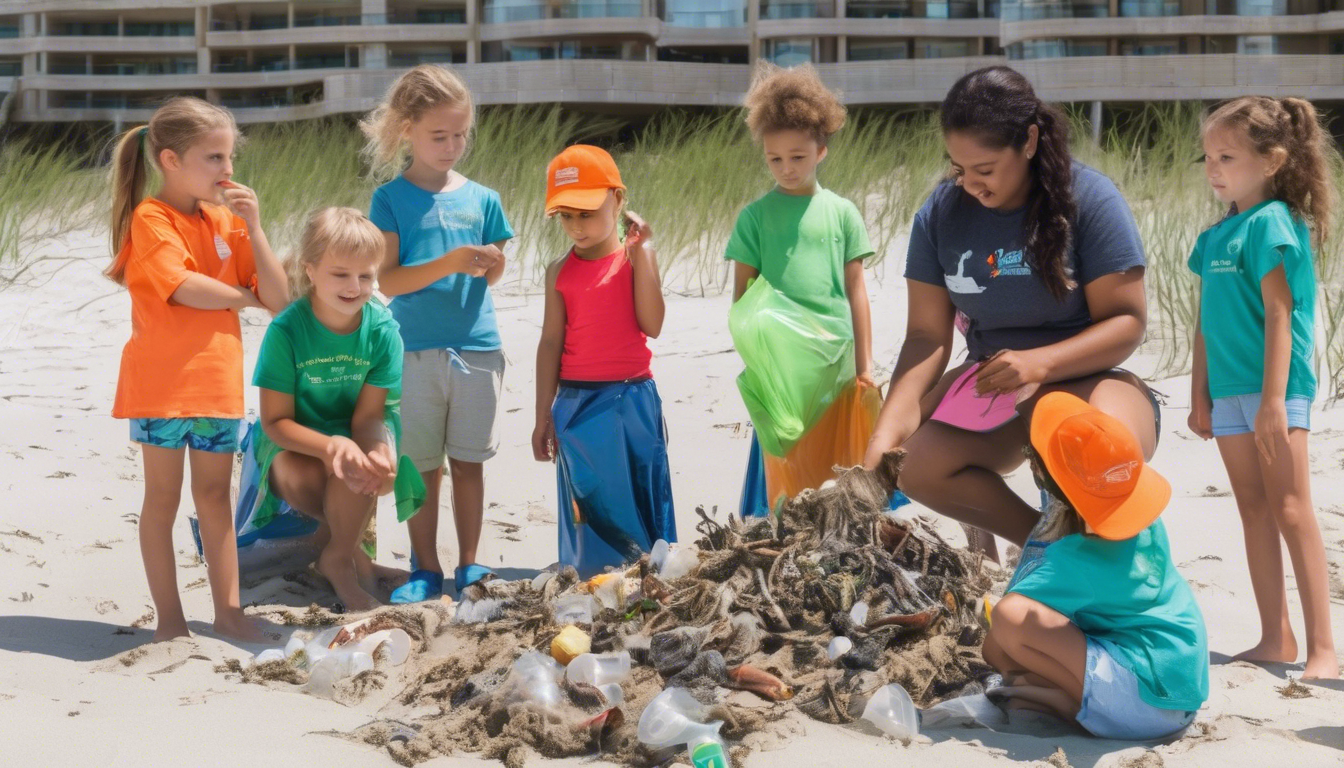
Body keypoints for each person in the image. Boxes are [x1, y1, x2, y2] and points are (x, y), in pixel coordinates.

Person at [863, 66, 1155, 564]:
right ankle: (1047, 549)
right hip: (995, 386)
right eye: (958, 168)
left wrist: (1040, 364)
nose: (970, 184)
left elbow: (1127, 321)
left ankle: (1109, 561)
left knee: (1100, 448)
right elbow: (925, 337)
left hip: (1090, 376)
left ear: (1029, 141)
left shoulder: (1091, 198)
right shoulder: (941, 214)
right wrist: (882, 440)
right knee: (914, 466)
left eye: (985, 169)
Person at [107, 97, 288, 642]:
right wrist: (244, 298)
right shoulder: (150, 218)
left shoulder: (227, 221)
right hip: (162, 388)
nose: (227, 170)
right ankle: (170, 621)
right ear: (170, 160)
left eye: (229, 157)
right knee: (162, 500)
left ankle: (228, 613)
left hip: (217, 386)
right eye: (213, 158)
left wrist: (255, 228)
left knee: (214, 499)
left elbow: (280, 297)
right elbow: (183, 288)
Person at [1187, 96, 1339, 679]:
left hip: (1276, 389)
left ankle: (1324, 647)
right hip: (1227, 391)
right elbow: (1205, 322)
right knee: (1253, 510)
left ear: (1272, 160)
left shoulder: (1272, 222)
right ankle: (1275, 635)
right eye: (1207, 158)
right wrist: (1199, 393)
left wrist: (1275, 400)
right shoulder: (1216, 235)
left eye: (1227, 156)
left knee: (1292, 508)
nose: (1214, 169)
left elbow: (1281, 313)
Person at [361, 65, 514, 601]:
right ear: (407, 131)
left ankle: (469, 564)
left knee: (468, 462)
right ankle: (425, 567)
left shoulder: (484, 198)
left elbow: (494, 274)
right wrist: (451, 261)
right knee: (420, 465)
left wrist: (489, 263)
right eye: (438, 135)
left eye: (460, 134)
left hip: (477, 347)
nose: (452, 146)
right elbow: (389, 279)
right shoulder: (390, 199)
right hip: (413, 351)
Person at [986, 392, 1208, 740]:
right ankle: (1061, 695)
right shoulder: (1147, 524)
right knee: (1013, 642)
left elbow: (1009, 618)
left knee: (1008, 622)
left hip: (1148, 701)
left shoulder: (1074, 557)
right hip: (1181, 684)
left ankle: (1065, 701)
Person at [248, 207, 424, 612]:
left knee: (373, 469)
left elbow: (367, 418)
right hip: (295, 445)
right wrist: (330, 447)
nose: (355, 286)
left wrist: (377, 449)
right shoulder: (287, 331)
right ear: (310, 270)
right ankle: (348, 562)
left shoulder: (381, 331)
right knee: (328, 464)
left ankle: (337, 558)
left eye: (366, 276)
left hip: (353, 434)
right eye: (340, 274)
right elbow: (276, 422)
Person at [727, 62, 877, 517]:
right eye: (775, 158)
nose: (786, 168)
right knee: (789, 479)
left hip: (836, 363)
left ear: (822, 151)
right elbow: (743, 303)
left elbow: (857, 292)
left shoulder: (842, 212)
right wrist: (763, 368)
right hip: (783, 369)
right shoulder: (754, 217)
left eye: (798, 156)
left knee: (840, 477)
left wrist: (865, 366)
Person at [532, 144, 676, 578]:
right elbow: (550, 342)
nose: (577, 226)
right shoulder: (558, 270)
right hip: (577, 405)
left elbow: (652, 324)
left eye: (587, 212)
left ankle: (651, 580)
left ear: (618, 199)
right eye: (567, 216)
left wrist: (645, 251)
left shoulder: (632, 261)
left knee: (641, 499)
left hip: (632, 399)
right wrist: (543, 415)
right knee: (591, 505)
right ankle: (595, 581)